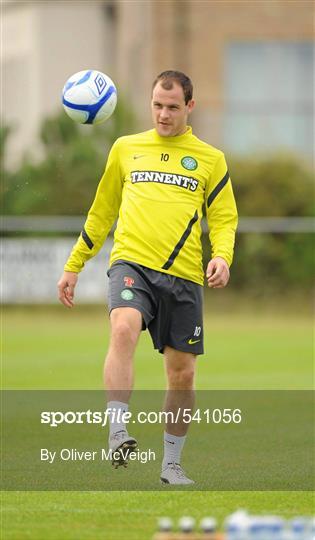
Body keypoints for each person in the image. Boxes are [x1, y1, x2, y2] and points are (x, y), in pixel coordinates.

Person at [58, 70, 238, 485]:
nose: (163, 114)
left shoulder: (210, 159)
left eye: (173, 107)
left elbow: (225, 219)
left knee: (182, 375)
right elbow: (102, 212)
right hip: (131, 264)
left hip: (184, 275)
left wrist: (223, 257)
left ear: (189, 107)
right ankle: (117, 430)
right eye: (157, 105)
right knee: (122, 327)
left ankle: (171, 464)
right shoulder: (126, 149)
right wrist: (74, 264)